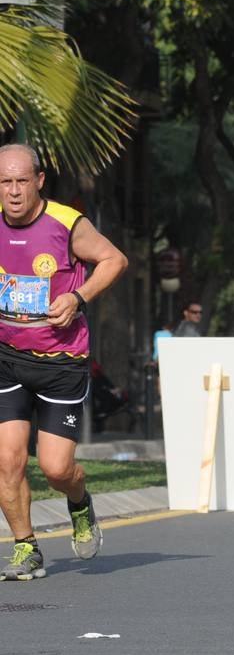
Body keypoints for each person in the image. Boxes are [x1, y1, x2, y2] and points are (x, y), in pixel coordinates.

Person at [0, 144, 128, 580]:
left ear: (39, 181)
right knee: (8, 460)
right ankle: (25, 547)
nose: (13, 191)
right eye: (5, 182)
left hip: (61, 364)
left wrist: (78, 296)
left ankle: (79, 502)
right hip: (7, 358)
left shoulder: (67, 224)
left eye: (21, 181)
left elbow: (115, 259)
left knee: (56, 469)